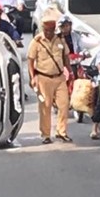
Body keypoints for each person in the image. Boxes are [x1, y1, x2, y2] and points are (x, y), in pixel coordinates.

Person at [27, 9, 72, 144]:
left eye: (50, 30)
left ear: (54, 29)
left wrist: (69, 71)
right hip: (43, 77)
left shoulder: (60, 39)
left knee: (64, 105)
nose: (48, 33)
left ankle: (61, 131)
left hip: (59, 77)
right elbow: (30, 60)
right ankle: (46, 135)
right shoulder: (37, 41)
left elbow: (65, 56)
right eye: (46, 30)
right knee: (45, 107)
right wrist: (32, 77)